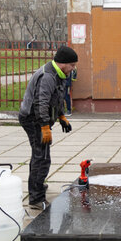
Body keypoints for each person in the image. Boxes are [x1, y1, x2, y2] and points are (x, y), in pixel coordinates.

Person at [19, 46, 76, 209]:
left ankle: (36, 187)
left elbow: (56, 98)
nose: (73, 69)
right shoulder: (47, 76)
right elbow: (41, 103)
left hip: (39, 118)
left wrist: (61, 116)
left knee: (40, 154)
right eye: (71, 65)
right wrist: (44, 126)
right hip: (33, 119)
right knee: (42, 157)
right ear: (63, 63)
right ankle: (36, 198)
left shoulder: (59, 74)